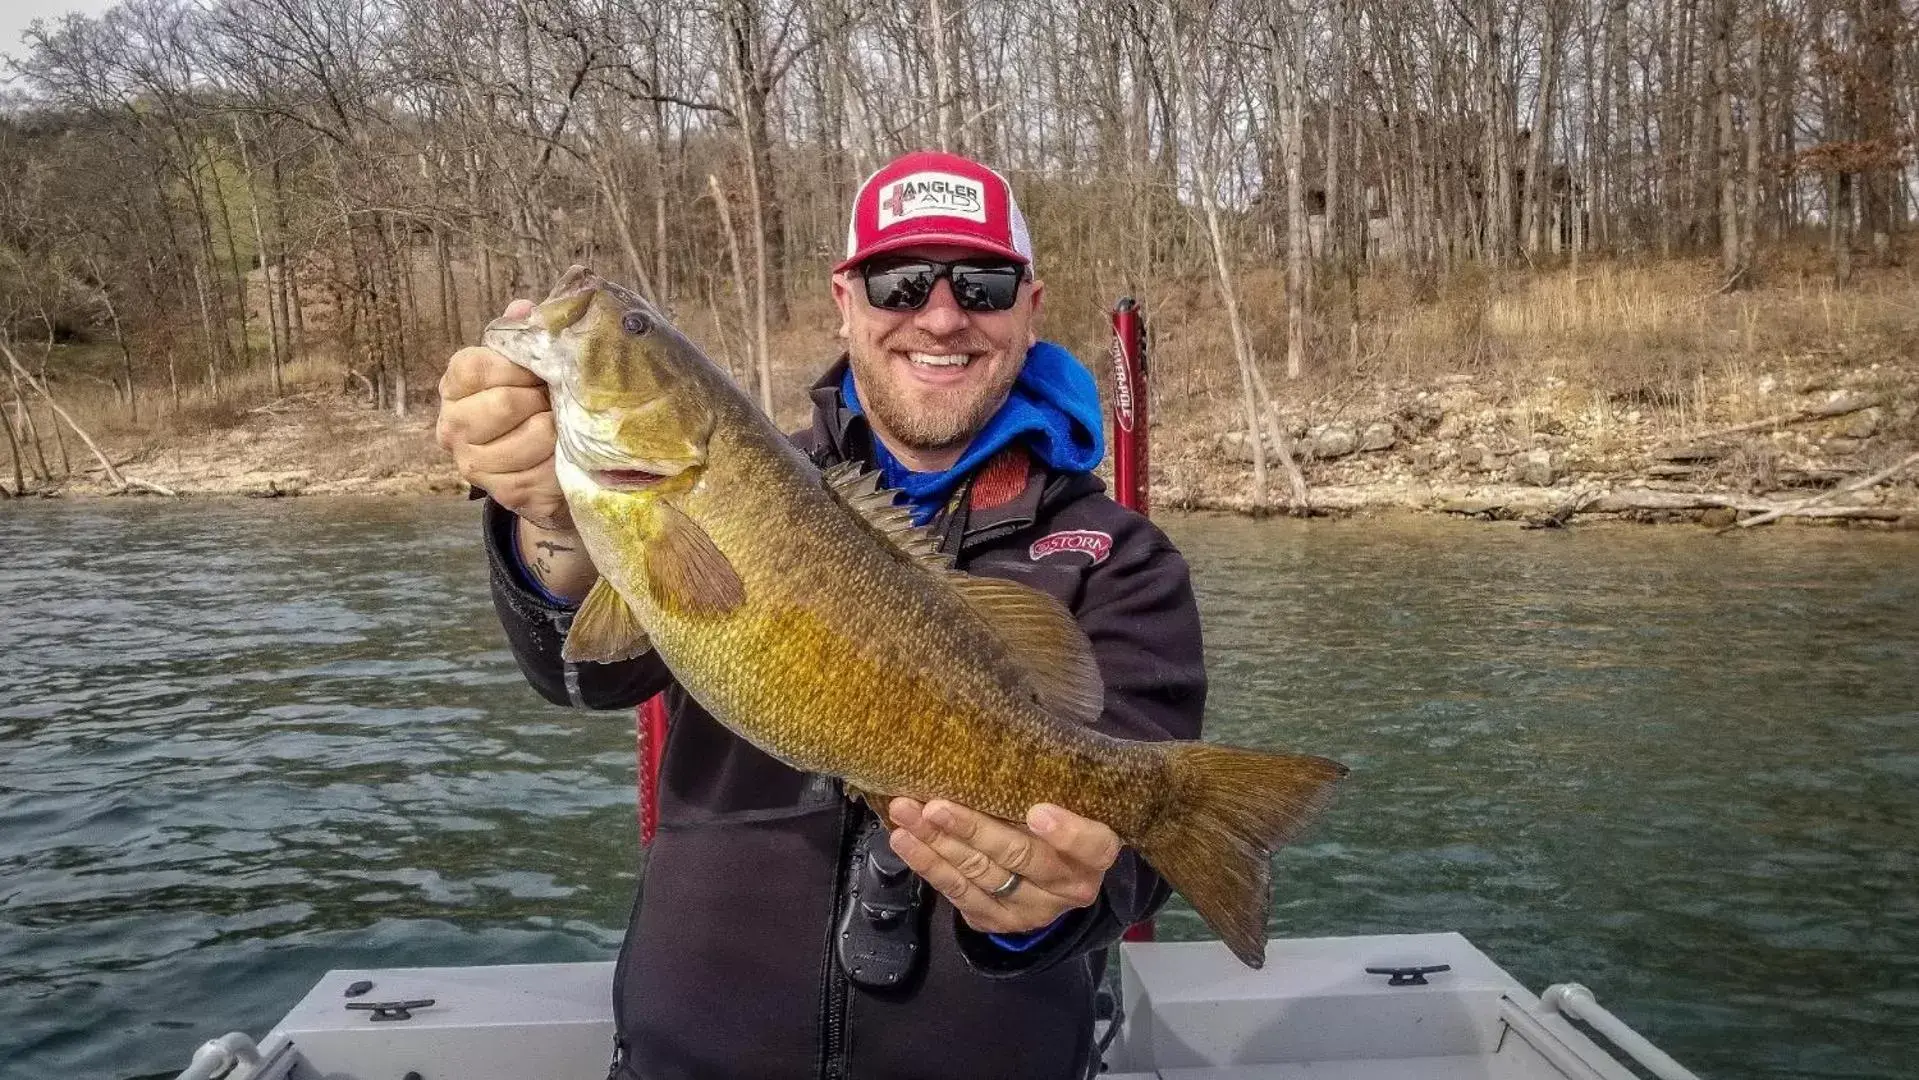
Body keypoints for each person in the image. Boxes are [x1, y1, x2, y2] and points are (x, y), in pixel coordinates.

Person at [435, 150, 1207, 1080]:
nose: (940, 313)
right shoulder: (742, 479)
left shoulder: (1118, 555)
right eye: (898, 281)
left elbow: (1132, 866)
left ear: (1029, 308)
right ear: (844, 300)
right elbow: (582, 673)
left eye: (983, 283)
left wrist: (1045, 904)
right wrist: (549, 523)